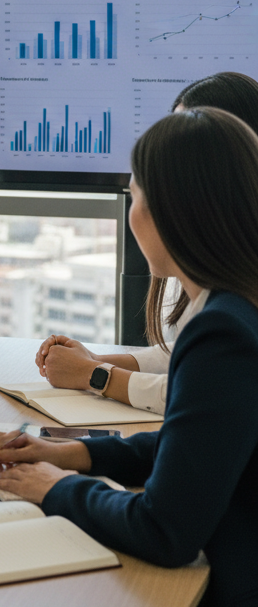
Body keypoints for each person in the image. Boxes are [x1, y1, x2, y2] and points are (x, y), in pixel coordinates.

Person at [0, 106, 258, 607]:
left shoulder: (220, 331)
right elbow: (199, 443)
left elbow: (164, 531)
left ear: (169, 213)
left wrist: (52, 487)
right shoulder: (240, 305)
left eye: (134, 196)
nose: (132, 213)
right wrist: (71, 453)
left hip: (233, 606)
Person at [36, 71, 258, 414]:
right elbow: (194, 359)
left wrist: (93, 374)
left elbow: (196, 392)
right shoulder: (224, 278)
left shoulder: (228, 317)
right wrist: (94, 360)